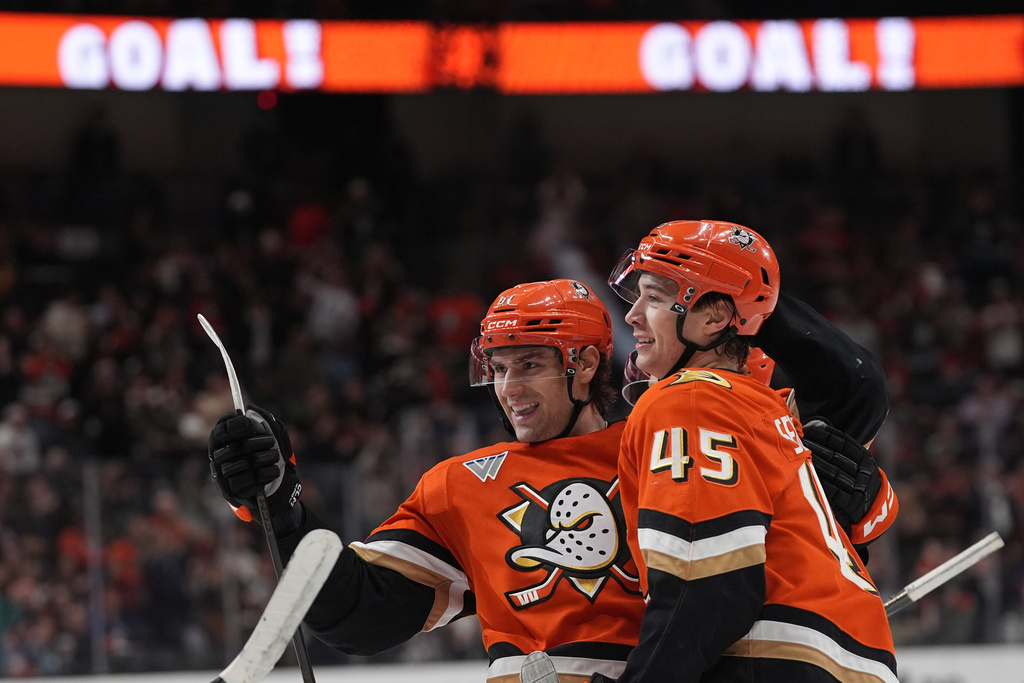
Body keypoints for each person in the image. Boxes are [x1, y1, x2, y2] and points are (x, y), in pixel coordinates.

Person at [208, 273, 895, 682]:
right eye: (498, 367)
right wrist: (278, 501)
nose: (510, 388)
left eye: (530, 364)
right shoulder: (462, 485)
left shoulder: (669, 431)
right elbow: (355, 618)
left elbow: (810, 516)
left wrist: (858, 502)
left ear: (587, 365)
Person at [591, 219, 897, 682]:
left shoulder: (689, 398)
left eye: (653, 296)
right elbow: (859, 386)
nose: (632, 315)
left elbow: (707, 583)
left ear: (714, 318)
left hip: (777, 657)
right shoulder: (762, 412)